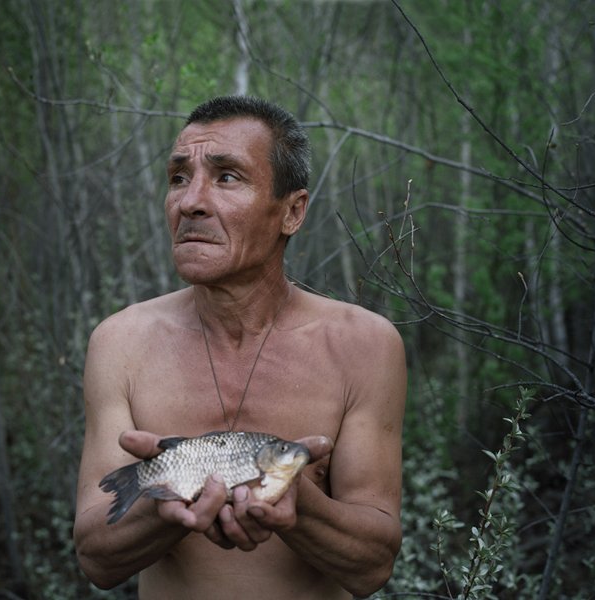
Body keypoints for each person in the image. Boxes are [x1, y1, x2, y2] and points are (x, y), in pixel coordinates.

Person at [73, 95, 406, 599]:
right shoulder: (121, 341)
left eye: (227, 177)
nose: (190, 202)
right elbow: (96, 558)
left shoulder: (363, 345)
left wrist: (294, 503)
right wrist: (166, 503)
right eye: (179, 177)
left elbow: (373, 566)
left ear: (292, 212)